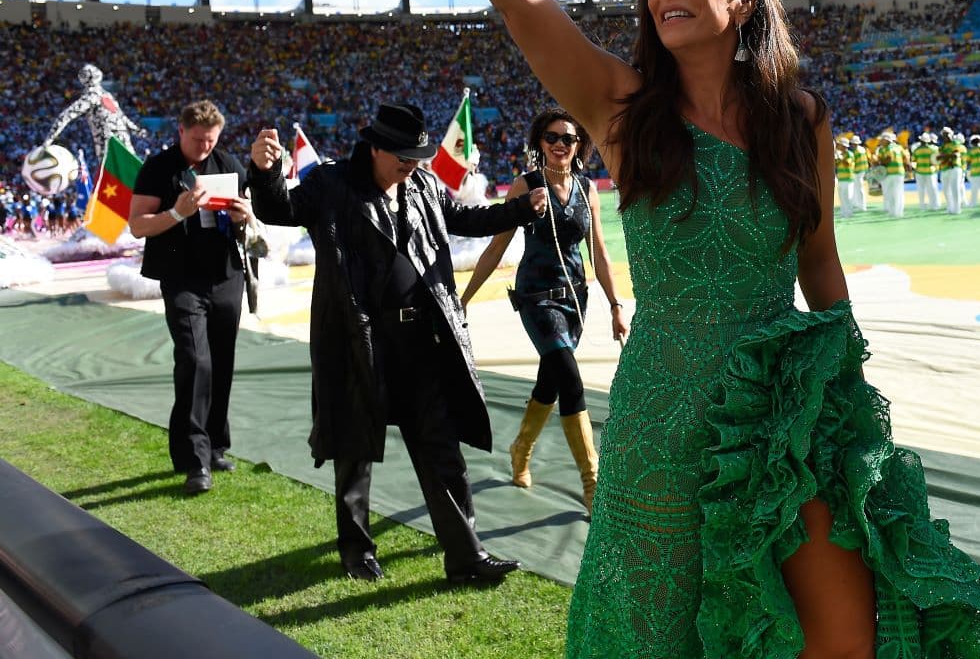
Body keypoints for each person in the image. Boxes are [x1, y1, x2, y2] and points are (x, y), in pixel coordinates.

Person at [327, 0, 980, 656]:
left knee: (844, 629)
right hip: (664, 415)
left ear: (745, 0)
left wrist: (847, 385)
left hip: (782, 409)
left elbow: (818, 260)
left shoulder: (801, 118)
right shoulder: (619, 107)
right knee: (666, 630)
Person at [247, 102, 543, 583]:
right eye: (403, 155)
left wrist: (519, 210)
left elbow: (463, 218)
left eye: (417, 155)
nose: (412, 164)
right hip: (359, 341)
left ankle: (466, 556)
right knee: (355, 449)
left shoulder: (423, 184)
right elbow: (280, 209)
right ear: (376, 146)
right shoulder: (332, 184)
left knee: (441, 447)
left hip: (421, 343)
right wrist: (265, 172)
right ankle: (357, 551)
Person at [460, 108, 627, 514]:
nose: (559, 144)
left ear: (578, 147)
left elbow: (599, 253)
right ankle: (593, 484)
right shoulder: (526, 184)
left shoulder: (587, 189)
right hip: (537, 298)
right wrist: (462, 300)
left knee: (550, 382)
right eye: (551, 137)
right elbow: (497, 247)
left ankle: (521, 449)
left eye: (568, 138)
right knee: (570, 379)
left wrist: (616, 305)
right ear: (539, 143)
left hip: (576, 298)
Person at [129, 100, 250, 496]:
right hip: (181, 278)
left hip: (225, 275)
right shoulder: (158, 168)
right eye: (197, 139)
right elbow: (137, 225)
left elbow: (250, 213)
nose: (204, 147)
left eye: (211, 140)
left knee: (222, 362)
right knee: (195, 360)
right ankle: (194, 459)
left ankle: (215, 446)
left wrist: (243, 216)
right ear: (180, 131)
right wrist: (177, 214)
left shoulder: (229, 162)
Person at [875, 129, 906, 217]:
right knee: (898, 192)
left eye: (882, 139)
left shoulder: (885, 149)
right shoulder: (899, 147)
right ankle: (899, 212)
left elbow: (887, 160)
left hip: (889, 173)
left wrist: (877, 162)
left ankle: (893, 212)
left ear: (886, 140)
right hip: (899, 172)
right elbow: (905, 159)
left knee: (890, 193)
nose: (881, 141)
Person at [938, 127, 965, 215]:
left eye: (947, 134)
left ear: (951, 134)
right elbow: (939, 158)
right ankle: (950, 207)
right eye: (944, 135)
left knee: (955, 188)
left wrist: (944, 157)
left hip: (955, 168)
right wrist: (946, 157)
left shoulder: (956, 143)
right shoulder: (942, 147)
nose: (946, 136)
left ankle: (957, 209)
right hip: (945, 169)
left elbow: (955, 155)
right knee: (945, 190)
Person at [912, 131, 941, 210]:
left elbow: (913, 161)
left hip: (920, 172)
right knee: (933, 188)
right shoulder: (934, 149)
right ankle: (935, 205)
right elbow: (937, 160)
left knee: (921, 190)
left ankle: (922, 206)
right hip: (931, 172)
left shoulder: (916, 150)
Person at [849, 132, 870, 211]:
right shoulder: (862, 149)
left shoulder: (856, 151)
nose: (852, 145)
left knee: (859, 188)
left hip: (858, 171)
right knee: (857, 188)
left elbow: (854, 162)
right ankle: (859, 205)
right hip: (862, 171)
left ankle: (861, 206)